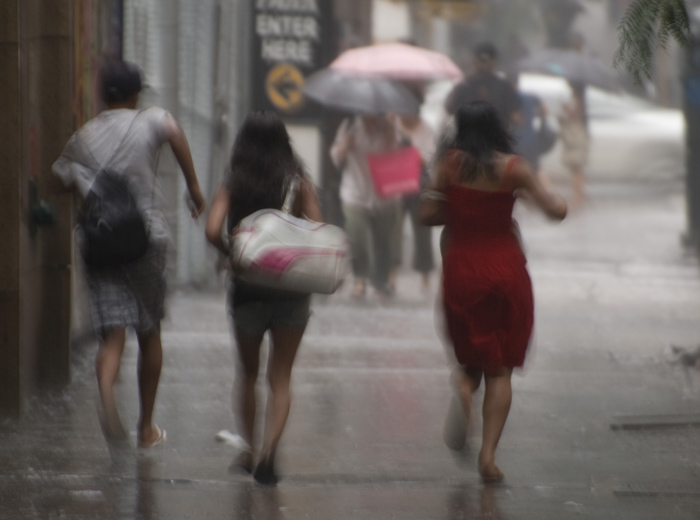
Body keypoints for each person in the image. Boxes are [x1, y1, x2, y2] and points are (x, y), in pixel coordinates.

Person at [51, 60, 206, 447]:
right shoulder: (149, 121)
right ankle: (146, 428)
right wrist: (194, 186)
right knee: (149, 332)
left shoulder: (83, 136)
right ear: (136, 94)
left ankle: (105, 391)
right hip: (146, 239)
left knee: (111, 337)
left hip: (101, 245)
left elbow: (61, 178)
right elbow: (174, 130)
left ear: (103, 95)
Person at [419, 102, 567, 483]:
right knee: (500, 369)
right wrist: (550, 197)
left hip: (461, 268)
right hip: (505, 271)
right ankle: (487, 457)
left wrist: (456, 210)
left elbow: (425, 215)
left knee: (470, 356)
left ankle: (463, 386)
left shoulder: (448, 164)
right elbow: (556, 210)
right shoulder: (514, 167)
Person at [205, 111, 322, 485]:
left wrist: (230, 253)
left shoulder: (233, 184)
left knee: (248, 374)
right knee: (281, 377)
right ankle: (272, 449)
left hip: (247, 290)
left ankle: (251, 450)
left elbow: (210, 229)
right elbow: (319, 231)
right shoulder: (299, 183)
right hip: (291, 289)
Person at [330, 113, 402, 300]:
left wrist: (391, 136)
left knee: (384, 242)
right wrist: (345, 146)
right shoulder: (350, 125)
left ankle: (379, 282)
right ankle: (360, 279)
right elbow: (336, 158)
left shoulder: (389, 126)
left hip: (384, 195)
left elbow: (397, 160)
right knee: (357, 237)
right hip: (354, 193)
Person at [393, 102, 436, 294]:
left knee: (422, 233)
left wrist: (413, 154)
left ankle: (425, 277)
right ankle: (391, 275)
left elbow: (430, 158)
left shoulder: (426, 129)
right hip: (395, 186)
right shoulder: (392, 125)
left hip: (419, 187)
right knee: (393, 231)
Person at [444, 42, 522, 130]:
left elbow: (516, 118)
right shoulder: (463, 86)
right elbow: (516, 118)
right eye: (481, 60)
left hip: (474, 139)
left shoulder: (504, 87)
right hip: (491, 138)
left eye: (485, 61)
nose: (482, 64)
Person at [559, 81, 589, 208]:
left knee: (576, 169)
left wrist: (565, 109)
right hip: (576, 136)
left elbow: (573, 115)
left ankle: (578, 198)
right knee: (576, 169)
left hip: (576, 138)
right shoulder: (579, 99)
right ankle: (578, 196)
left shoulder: (579, 99)